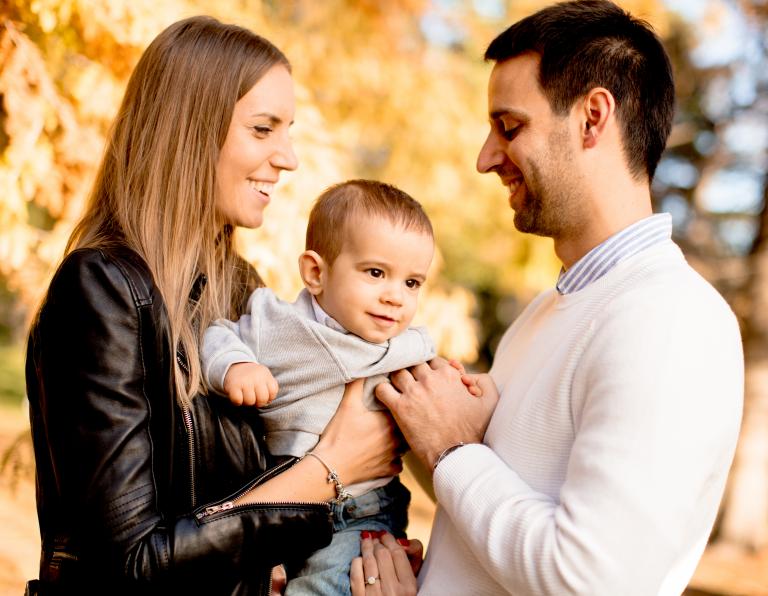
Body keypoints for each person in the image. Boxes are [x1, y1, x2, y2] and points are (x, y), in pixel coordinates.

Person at [355, 1, 744, 594]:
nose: (485, 158)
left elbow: (588, 580)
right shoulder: (546, 312)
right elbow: (495, 507)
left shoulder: (673, 321)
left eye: (509, 127)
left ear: (592, 117)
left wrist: (454, 449)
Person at [25, 16, 404, 596]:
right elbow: (130, 565)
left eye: (288, 130)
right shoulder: (102, 289)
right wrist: (330, 470)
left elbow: (240, 516)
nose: (289, 157)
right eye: (263, 128)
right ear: (191, 132)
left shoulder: (235, 287)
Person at [201, 179, 437, 595]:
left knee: (331, 585)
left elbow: (436, 401)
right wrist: (236, 366)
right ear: (316, 272)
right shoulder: (278, 324)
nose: (395, 297)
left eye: (411, 283)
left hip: (359, 512)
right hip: (276, 493)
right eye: (376, 273)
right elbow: (217, 335)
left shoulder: (406, 348)